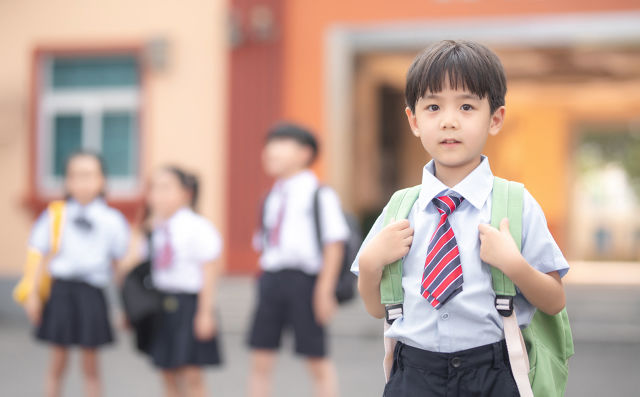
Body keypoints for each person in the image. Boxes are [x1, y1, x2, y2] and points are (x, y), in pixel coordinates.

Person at [351, 40, 569, 396]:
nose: (449, 121)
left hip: (492, 372)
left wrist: (514, 266)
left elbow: (554, 300)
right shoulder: (399, 208)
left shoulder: (516, 204)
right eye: (433, 107)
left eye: (467, 106)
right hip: (414, 374)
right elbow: (377, 309)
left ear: (495, 118)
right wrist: (372, 261)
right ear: (414, 120)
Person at [247, 123, 350, 397]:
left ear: (305, 153)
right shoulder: (271, 196)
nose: (270, 151)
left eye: (281, 144)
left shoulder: (319, 194)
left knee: (316, 358)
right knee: (260, 356)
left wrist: (324, 290)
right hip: (271, 279)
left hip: (306, 282)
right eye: (268, 145)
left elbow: (334, 244)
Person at [23, 151, 130, 397]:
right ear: (67, 181)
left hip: (92, 293)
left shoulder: (112, 220)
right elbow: (37, 253)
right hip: (61, 291)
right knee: (57, 363)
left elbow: (118, 265)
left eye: (89, 175)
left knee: (91, 366)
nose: (82, 182)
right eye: (76, 175)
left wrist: (126, 306)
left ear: (102, 180)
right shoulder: (55, 215)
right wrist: (31, 293)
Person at [144, 166, 223, 397]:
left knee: (191, 374)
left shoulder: (197, 227)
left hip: (189, 304)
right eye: (155, 188)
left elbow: (209, 270)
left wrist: (205, 312)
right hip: (161, 303)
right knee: (167, 371)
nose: (159, 195)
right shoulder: (153, 228)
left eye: (167, 188)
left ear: (185, 193)